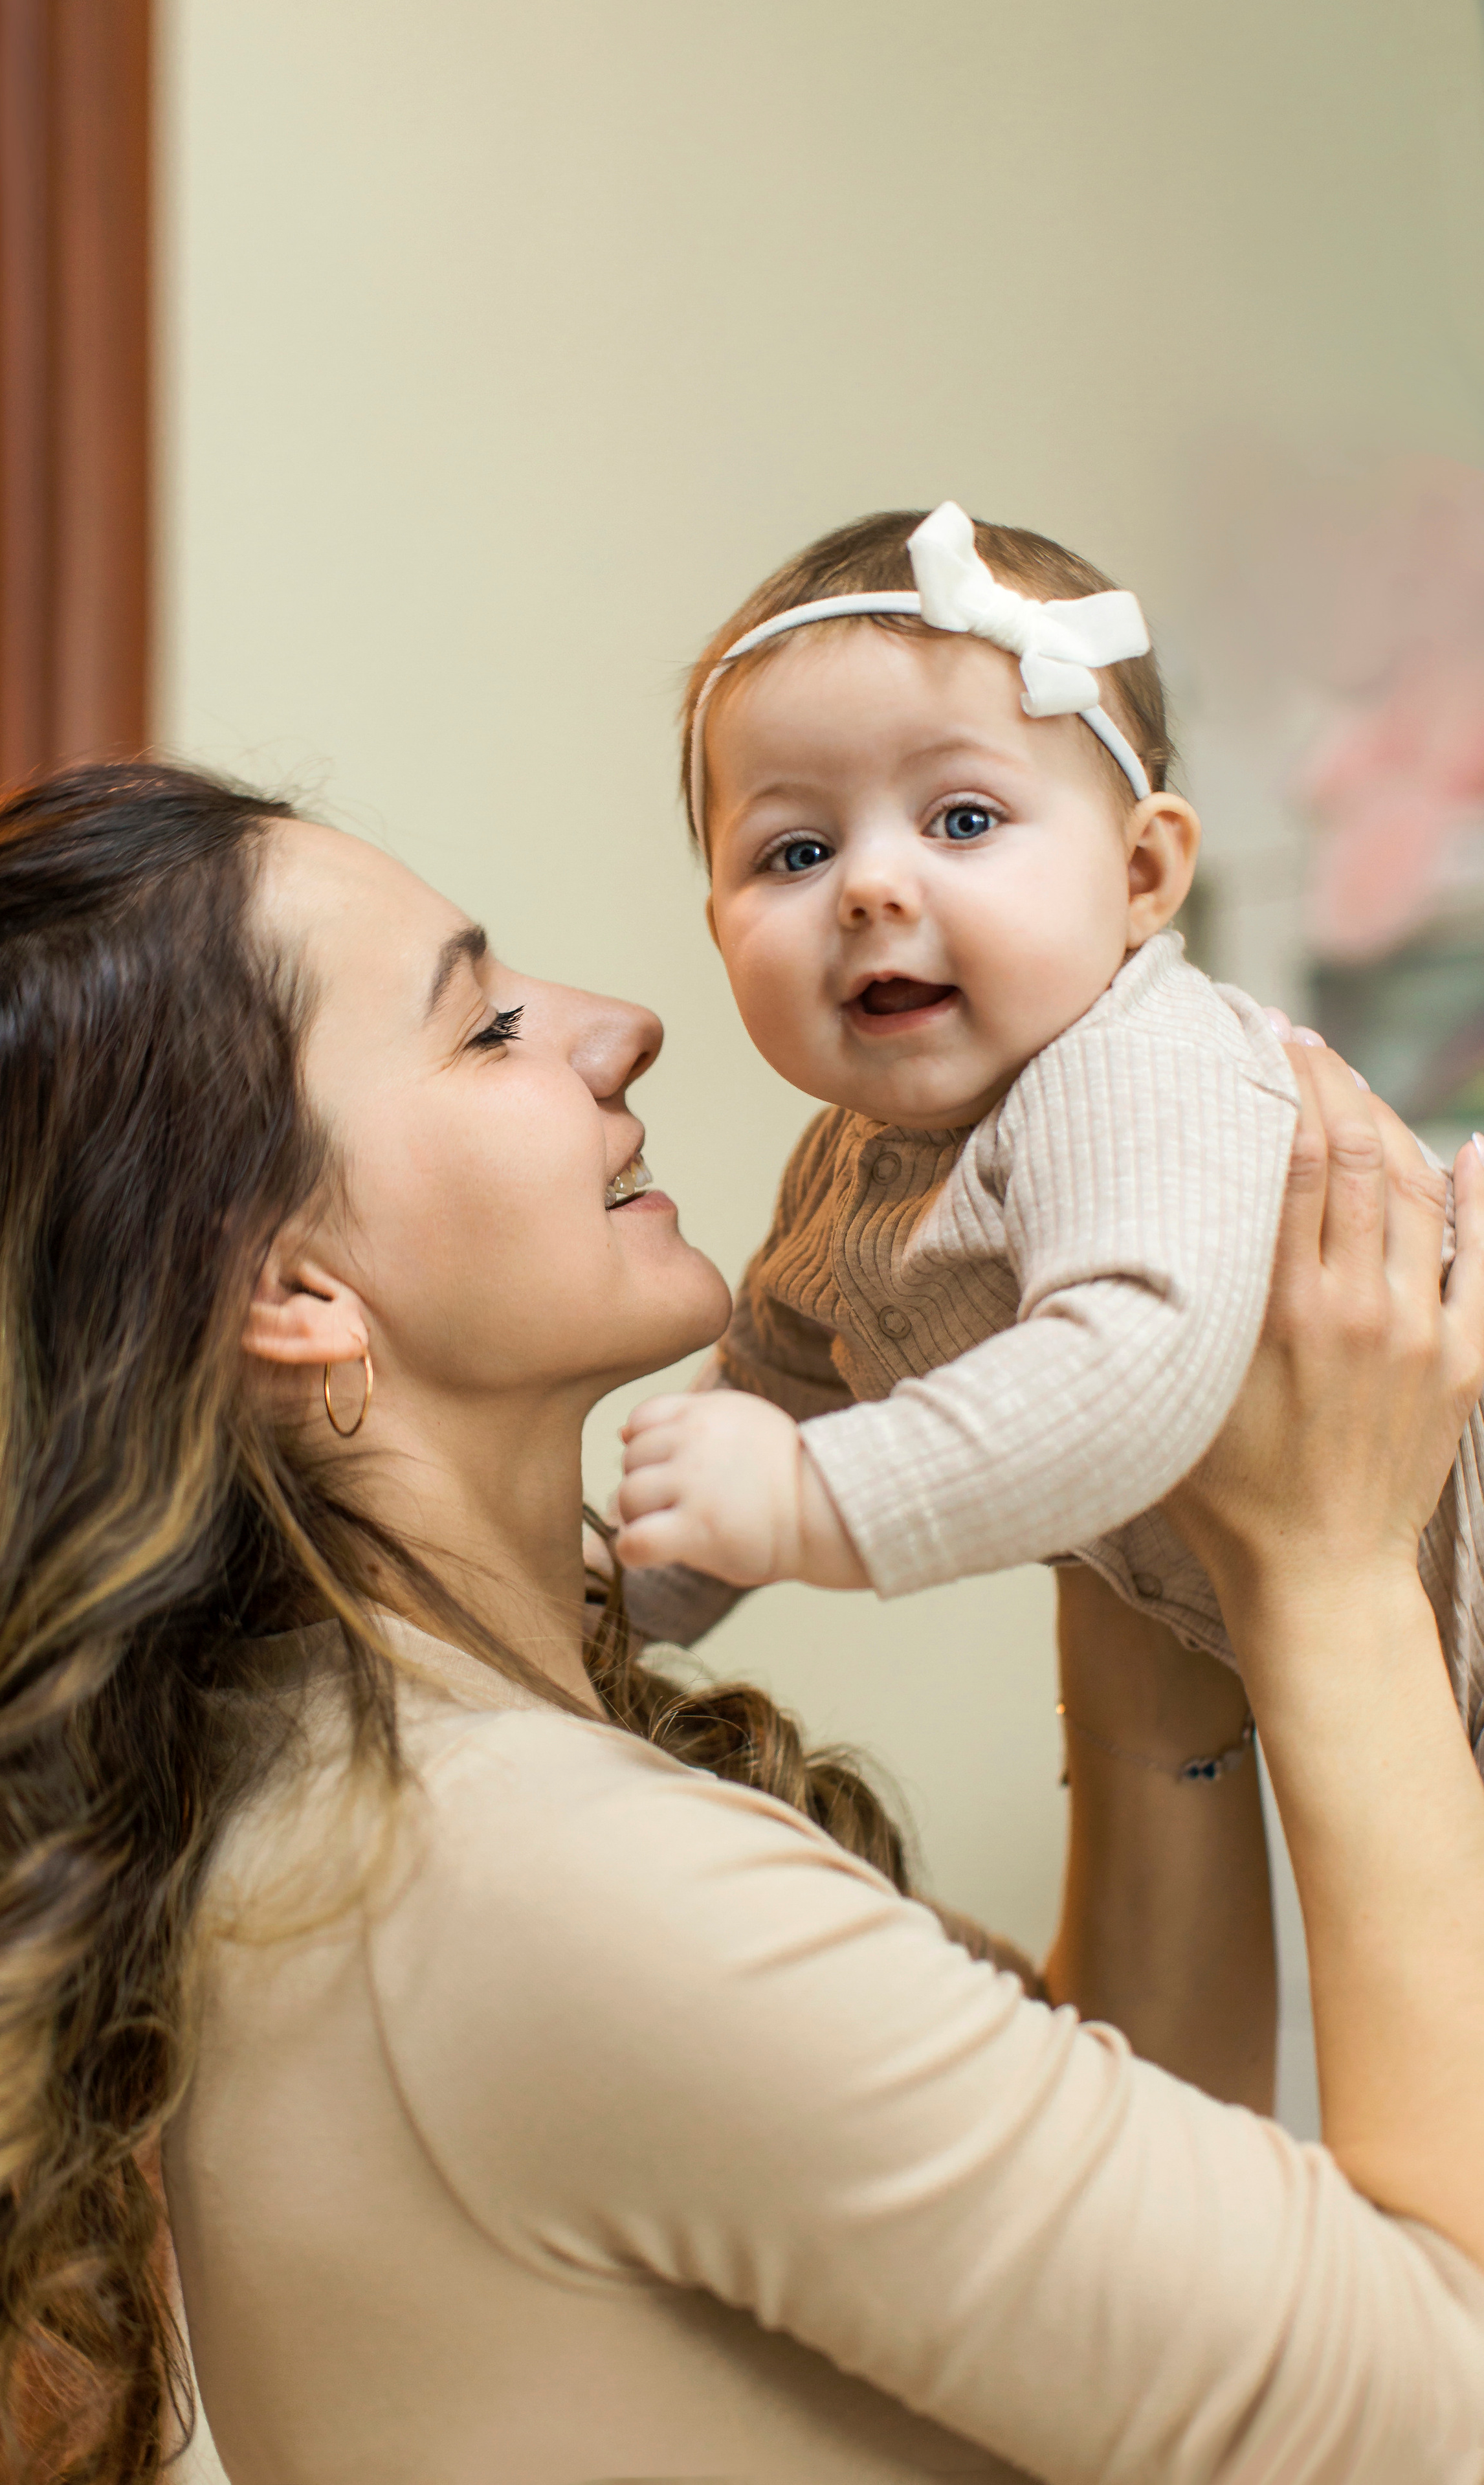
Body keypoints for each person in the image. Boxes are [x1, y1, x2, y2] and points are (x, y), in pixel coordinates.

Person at [0, 760, 1481, 2485]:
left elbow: (1153, 2207)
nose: (622, 1029)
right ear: (293, 1290)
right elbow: (1446, 2407)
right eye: (486, 1028)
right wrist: (1331, 1569)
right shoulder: (545, 1884)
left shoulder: (352, 1804)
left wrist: (1125, 1487)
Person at [612, 504, 1484, 1769]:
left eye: (962, 821)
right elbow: (780, 1375)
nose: (869, 887)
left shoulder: (1137, 1062)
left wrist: (813, 1499)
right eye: (795, 851)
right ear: (718, 928)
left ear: (1141, 877)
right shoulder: (847, 1164)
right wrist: (614, 1601)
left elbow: (1127, 1371)